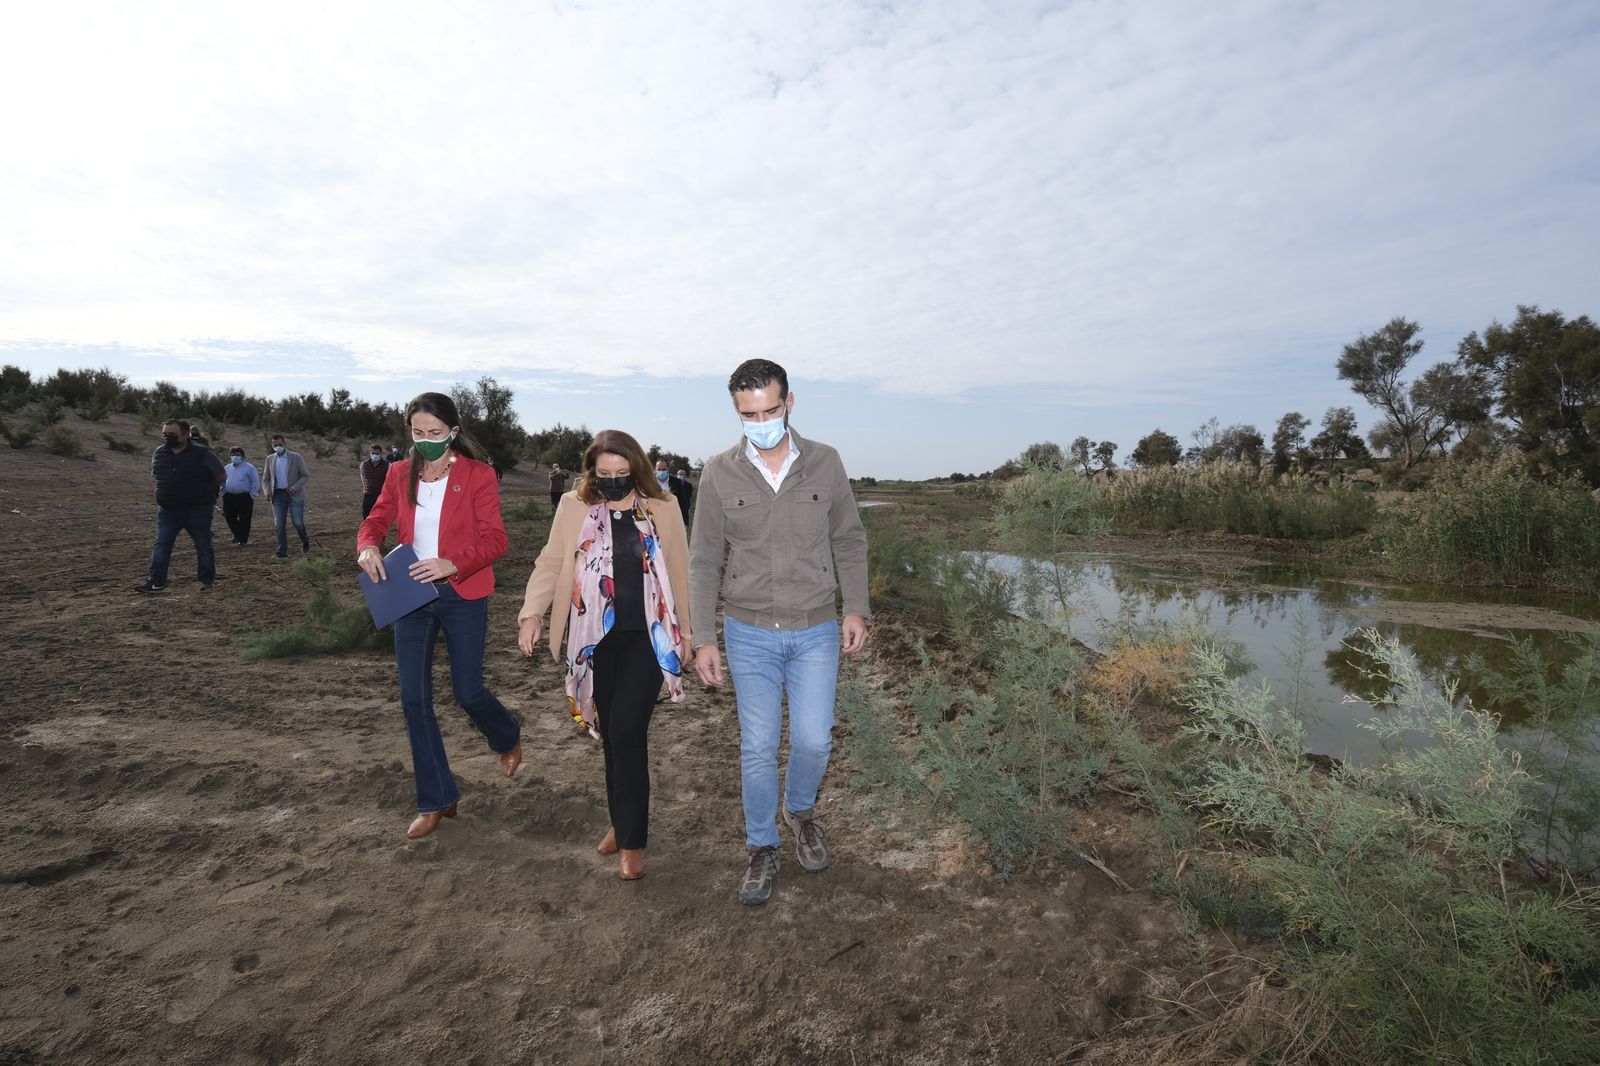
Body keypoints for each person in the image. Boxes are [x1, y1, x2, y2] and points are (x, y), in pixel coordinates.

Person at [689, 359, 869, 906]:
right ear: (736, 412)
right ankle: (762, 846)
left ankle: (800, 810)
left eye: (770, 410)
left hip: (816, 629)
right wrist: (703, 637)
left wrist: (856, 608)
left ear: (789, 403)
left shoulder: (825, 462)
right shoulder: (718, 472)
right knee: (759, 745)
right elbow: (704, 559)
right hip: (748, 633)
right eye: (749, 414)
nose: (761, 422)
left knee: (815, 739)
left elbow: (849, 539)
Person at [518, 430, 691, 881]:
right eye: (605, 473)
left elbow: (680, 570)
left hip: (648, 637)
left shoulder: (664, 507)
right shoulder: (572, 506)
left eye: (622, 472)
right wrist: (531, 613)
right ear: (592, 472)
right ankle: (621, 819)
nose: (614, 480)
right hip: (593, 639)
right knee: (612, 734)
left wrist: (686, 633)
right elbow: (551, 561)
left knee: (627, 731)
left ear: (637, 469)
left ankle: (631, 842)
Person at [356, 392, 523, 841]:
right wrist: (367, 546)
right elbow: (375, 520)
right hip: (411, 596)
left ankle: (506, 735)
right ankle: (437, 798)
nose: (426, 440)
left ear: (453, 431)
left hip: (463, 593)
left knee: (468, 692)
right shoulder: (398, 473)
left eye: (435, 432)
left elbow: (496, 540)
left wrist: (454, 563)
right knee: (414, 699)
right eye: (418, 432)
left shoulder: (478, 475)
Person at [136, 419, 226, 593]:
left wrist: (203, 491)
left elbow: (221, 475)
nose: (168, 438)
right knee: (162, 544)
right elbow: (157, 475)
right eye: (165, 434)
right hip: (168, 509)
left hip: (198, 509)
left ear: (186, 435)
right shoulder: (160, 453)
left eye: (173, 435)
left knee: (203, 544)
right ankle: (156, 581)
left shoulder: (202, 453)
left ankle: (207, 581)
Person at [262, 433, 311, 558]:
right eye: (275, 445)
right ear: (272, 445)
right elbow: (266, 478)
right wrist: (267, 491)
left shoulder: (296, 457)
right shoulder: (270, 459)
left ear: (284, 444)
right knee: (279, 524)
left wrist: (295, 487)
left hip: (294, 494)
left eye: (280, 444)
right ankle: (282, 550)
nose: (277, 447)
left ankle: (305, 540)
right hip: (277, 495)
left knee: (298, 522)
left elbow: (305, 475)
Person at [220, 445, 261, 545]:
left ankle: (242, 539)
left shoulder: (249, 468)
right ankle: (237, 534)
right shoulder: (227, 468)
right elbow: (223, 481)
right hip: (229, 496)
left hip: (244, 497)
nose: (235, 457)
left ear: (242, 456)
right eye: (233, 455)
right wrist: (223, 492)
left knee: (244, 519)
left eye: (237, 455)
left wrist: (251, 495)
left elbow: (255, 482)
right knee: (229, 517)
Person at [655, 460, 691, 526]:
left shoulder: (677, 482)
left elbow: (682, 502)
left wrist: (685, 522)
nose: (661, 472)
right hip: (655, 520)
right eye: (659, 469)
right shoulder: (650, 482)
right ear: (655, 469)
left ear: (668, 469)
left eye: (664, 469)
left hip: (672, 519)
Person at [359, 443, 389, 520]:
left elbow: (389, 481)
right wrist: (365, 488)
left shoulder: (387, 465)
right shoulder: (364, 464)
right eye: (373, 453)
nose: (375, 455)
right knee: (366, 517)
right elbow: (363, 478)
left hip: (381, 496)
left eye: (377, 453)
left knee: (379, 518)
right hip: (368, 495)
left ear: (381, 453)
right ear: (369, 452)